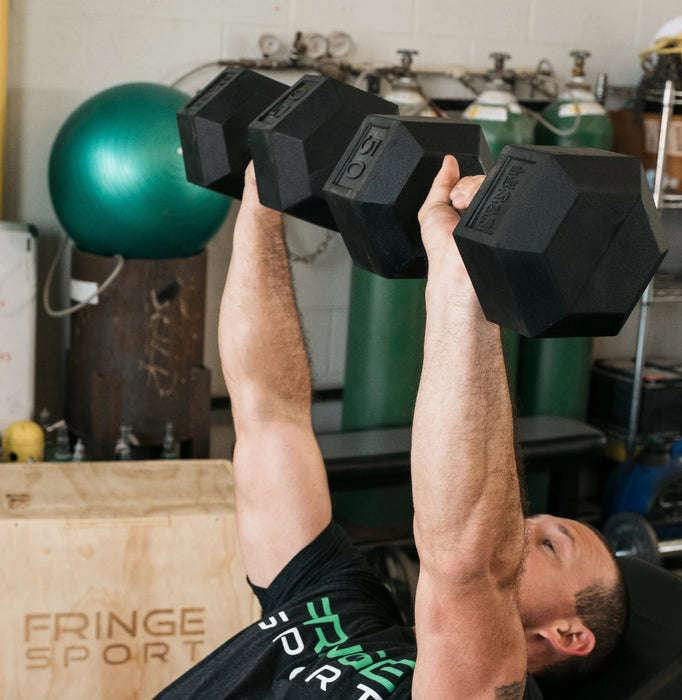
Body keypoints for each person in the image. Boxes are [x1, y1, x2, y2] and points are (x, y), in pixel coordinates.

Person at [154, 156, 626, 699]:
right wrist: (264, 203)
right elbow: (268, 413)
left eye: (548, 545)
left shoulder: (492, 691)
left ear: (568, 635)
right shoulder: (352, 610)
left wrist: (463, 281)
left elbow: (471, 566)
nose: (520, 526)